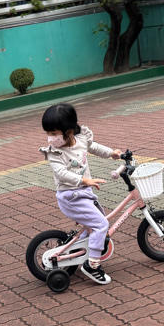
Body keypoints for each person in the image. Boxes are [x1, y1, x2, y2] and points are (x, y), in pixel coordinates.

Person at [40, 103, 122, 285]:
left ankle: (79, 251)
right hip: (70, 198)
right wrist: (84, 180)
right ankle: (92, 265)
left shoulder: (81, 140)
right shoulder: (55, 153)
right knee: (101, 224)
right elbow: (61, 173)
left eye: (54, 133)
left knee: (94, 224)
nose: (50, 138)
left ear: (69, 132)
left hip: (84, 194)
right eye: (48, 133)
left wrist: (111, 153)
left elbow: (94, 147)